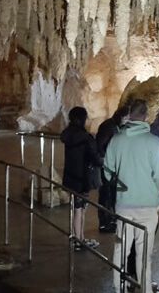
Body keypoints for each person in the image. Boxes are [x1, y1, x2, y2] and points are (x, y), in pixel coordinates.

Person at [104, 100, 159, 293]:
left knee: (121, 249)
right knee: (144, 253)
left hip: (124, 203)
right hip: (148, 206)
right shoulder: (155, 143)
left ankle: (119, 288)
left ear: (130, 114)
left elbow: (107, 171)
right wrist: (156, 196)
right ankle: (145, 289)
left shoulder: (117, 140)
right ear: (146, 116)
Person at [60, 106, 103, 252]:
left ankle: (80, 238)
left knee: (78, 208)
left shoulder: (68, 135)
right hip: (82, 178)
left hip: (70, 176)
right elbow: (95, 158)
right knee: (80, 209)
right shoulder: (85, 137)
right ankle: (78, 240)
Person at [96, 105, 132, 233]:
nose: (127, 121)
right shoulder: (108, 126)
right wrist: (108, 160)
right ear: (120, 116)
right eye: (126, 118)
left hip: (114, 166)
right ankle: (104, 222)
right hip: (108, 166)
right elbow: (101, 146)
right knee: (106, 194)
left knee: (113, 194)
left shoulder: (117, 127)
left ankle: (111, 220)